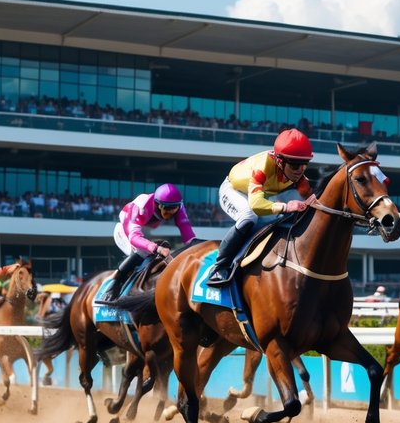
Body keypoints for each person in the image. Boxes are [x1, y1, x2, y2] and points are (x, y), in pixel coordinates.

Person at [207, 128, 315, 286]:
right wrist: (286, 206)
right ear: (280, 161)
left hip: (260, 195)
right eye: (295, 165)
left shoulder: (298, 176)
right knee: (249, 217)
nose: (300, 170)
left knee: (282, 220)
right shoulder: (262, 167)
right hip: (234, 190)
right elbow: (256, 205)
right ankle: (220, 266)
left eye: (304, 165)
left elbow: (312, 197)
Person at [103, 183, 197, 300]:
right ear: (158, 205)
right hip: (125, 231)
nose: (171, 212)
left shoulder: (177, 205)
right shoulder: (139, 207)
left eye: (174, 208)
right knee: (142, 252)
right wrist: (156, 248)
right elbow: (134, 238)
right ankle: (113, 284)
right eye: (167, 209)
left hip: (144, 230)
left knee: (156, 256)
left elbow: (185, 227)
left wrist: (194, 243)